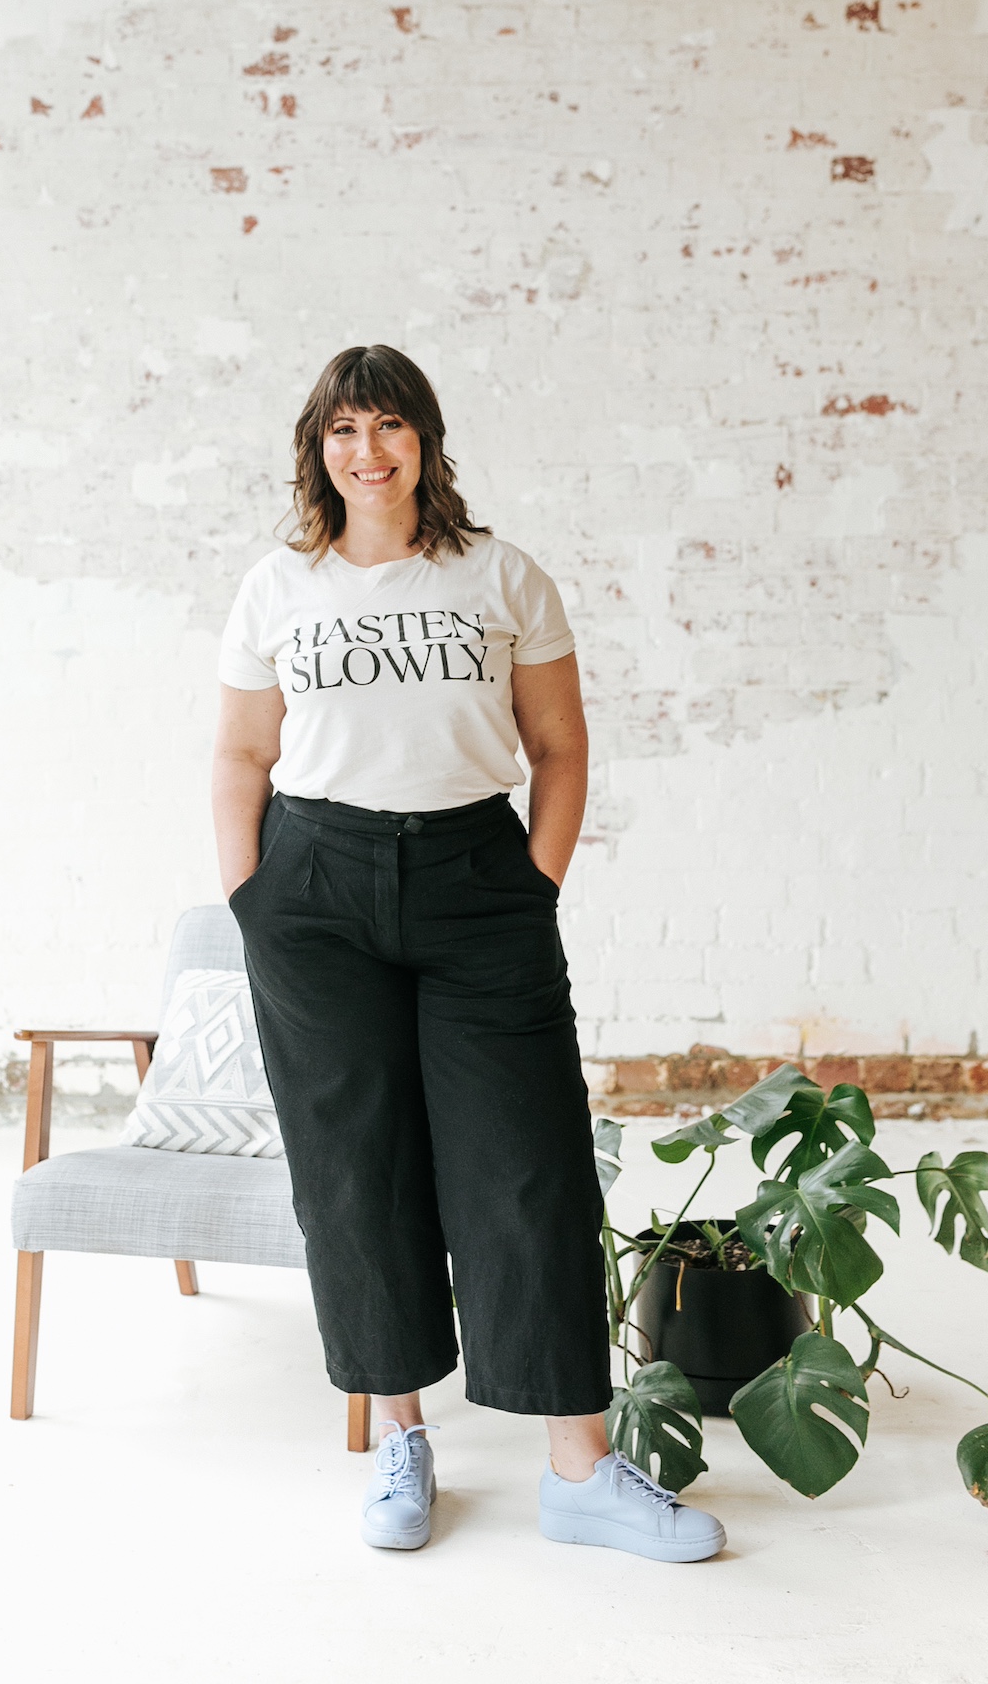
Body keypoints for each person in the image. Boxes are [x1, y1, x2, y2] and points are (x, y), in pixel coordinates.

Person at [211, 345, 724, 1562]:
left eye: (389, 425)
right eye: (344, 429)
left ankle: (580, 1472)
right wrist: (252, 901)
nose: (367, 451)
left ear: (426, 441)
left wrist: (531, 890)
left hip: (476, 884)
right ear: (317, 448)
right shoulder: (278, 587)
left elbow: (561, 748)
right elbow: (238, 758)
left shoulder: (502, 577)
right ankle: (399, 1440)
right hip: (317, 891)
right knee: (355, 1169)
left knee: (529, 1168)